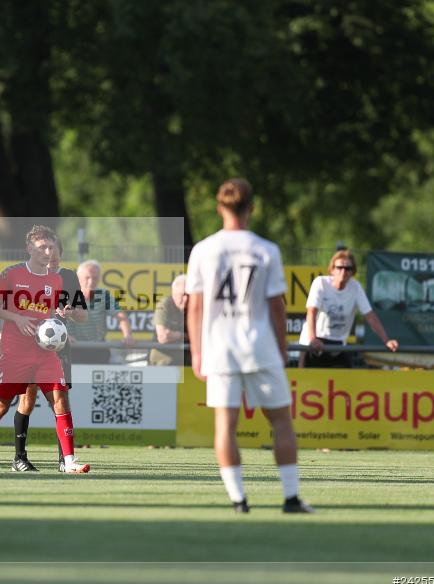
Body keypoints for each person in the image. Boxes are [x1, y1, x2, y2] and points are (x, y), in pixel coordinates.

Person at [186, 178, 313, 514]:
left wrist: (197, 351)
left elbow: (195, 307)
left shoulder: (203, 250)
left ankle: (239, 500)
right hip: (260, 345)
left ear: (219, 208)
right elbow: (277, 307)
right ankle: (290, 498)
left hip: (220, 348)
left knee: (225, 426)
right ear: (251, 208)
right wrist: (282, 347)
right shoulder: (266, 250)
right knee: (281, 421)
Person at [0, 225, 90, 474]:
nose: (48, 252)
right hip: (15, 351)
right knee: (1, 405)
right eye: (42, 247)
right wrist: (17, 318)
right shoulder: (12, 274)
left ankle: (69, 460)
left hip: (45, 353)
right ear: (29, 248)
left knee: (60, 399)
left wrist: (64, 313)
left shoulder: (57, 279)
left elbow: (68, 311)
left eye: (51, 247)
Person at [15, 235, 86, 472]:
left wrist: (71, 312)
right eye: (47, 258)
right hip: (28, 346)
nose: (51, 262)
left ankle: (65, 460)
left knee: (61, 400)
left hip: (58, 349)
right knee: (27, 399)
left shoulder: (69, 277)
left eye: (55, 260)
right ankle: (19, 457)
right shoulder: (26, 276)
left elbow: (83, 315)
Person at [299, 250, 399, 368]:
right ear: (332, 269)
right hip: (315, 342)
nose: (343, 271)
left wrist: (386, 340)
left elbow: (370, 316)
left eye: (348, 268)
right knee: (307, 379)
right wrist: (313, 339)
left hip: (338, 344)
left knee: (344, 378)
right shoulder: (320, 283)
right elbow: (311, 312)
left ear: (353, 272)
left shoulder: (356, 287)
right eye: (339, 267)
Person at [68, 260, 133, 364]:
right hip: (73, 347)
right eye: (87, 277)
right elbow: (57, 318)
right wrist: (65, 335)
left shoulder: (103, 295)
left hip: (98, 347)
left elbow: (120, 316)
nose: (91, 281)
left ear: (99, 278)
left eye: (95, 278)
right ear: (78, 278)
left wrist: (128, 336)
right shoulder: (68, 294)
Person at [149, 275, 188, 366]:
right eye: (182, 295)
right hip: (164, 363)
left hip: (188, 363)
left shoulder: (195, 306)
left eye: (189, 295)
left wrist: (174, 335)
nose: (186, 299)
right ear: (174, 293)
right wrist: (185, 336)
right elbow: (163, 336)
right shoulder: (164, 305)